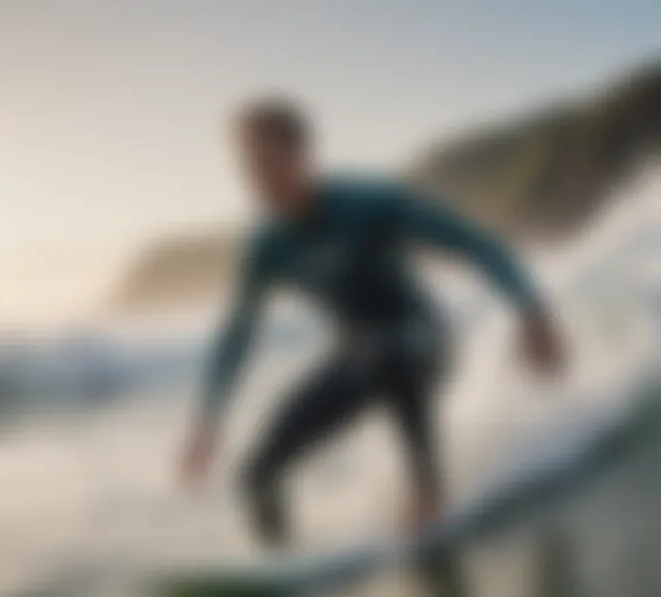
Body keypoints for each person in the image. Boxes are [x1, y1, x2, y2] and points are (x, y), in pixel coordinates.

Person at [180, 98, 564, 548]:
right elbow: (238, 333)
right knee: (256, 474)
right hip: (356, 353)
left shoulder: (370, 204)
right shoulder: (266, 246)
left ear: (301, 153)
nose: (255, 172)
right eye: (245, 161)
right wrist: (209, 417)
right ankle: (282, 562)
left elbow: (474, 244)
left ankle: (427, 488)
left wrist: (532, 312)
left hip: (422, 340)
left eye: (265, 156)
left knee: (388, 351)